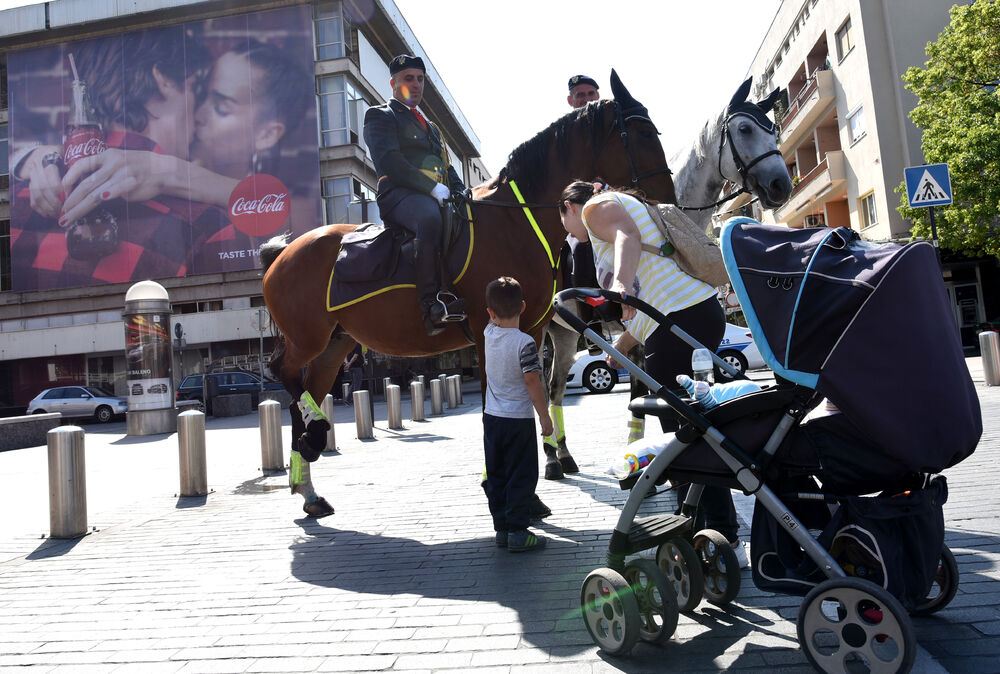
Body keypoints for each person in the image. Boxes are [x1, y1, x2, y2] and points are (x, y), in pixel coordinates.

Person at [559, 180, 748, 567]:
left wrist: (621, 288)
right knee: (694, 427)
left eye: (562, 220)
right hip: (687, 315)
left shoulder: (595, 207)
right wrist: (625, 344)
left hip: (680, 319)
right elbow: (656, 291)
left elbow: (628, 237)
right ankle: (717, 532)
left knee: (684, 435)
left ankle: (712, 535)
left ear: (569, 207)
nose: (567, 231)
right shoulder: (622, 204)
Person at [363, 54, 468, 337]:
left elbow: (445, 166)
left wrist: (460, 191)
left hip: (435, 194)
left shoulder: (430, 126)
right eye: (409, 78)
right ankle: (430, 305)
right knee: (429, 219)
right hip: (399, 195)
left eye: (420, 79)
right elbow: (390, 162)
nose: (417, 84)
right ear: (393, 83)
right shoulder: (380, 115)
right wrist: (431, 188)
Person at [482, 277, 553, 553]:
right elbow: (532, 381)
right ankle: (519, 532)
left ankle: (501, 528)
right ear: (523, 307)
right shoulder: (524, 343)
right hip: (518, 421)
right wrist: (545, 417)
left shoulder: (488, 333)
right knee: (521, 475)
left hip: (492, 419)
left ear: (490, 312)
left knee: (497, 472)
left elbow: (495, 316)